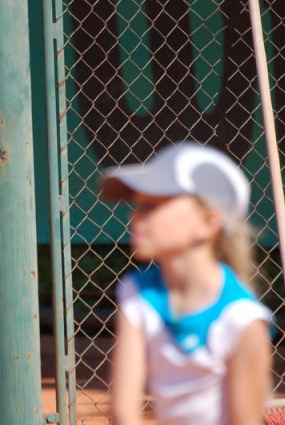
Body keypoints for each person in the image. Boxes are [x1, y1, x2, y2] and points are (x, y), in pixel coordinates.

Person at [101, 141, 272, 425]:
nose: (135, 216)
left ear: (206, 223)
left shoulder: (242, 320)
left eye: (152, 206)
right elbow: (123, 414)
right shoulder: (135, 293)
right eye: (137, 205)